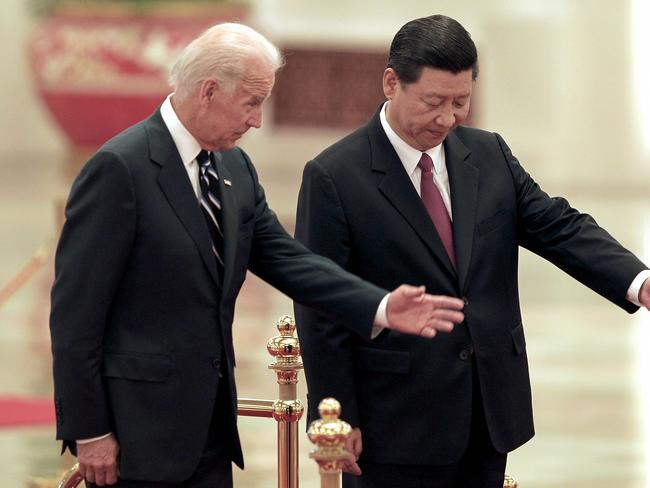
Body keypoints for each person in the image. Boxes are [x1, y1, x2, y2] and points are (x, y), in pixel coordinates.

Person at [48, 22, 467, 488]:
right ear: (208, 91)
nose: (257, 120)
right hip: (135, 436)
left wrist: (382, 306)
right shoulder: (119, 169)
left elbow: (288, 260)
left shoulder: (234, 166)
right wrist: (90, 430)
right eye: (251, 102)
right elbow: (74, 318)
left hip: (210, 433)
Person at [294, 13, 650, 488]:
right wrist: (336, 415)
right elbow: (321, 307)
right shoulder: (335, 176)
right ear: (391, 83)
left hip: (487, 412)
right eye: (434, 102)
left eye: (461, 102)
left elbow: (559, 226)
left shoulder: (488, 155)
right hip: (393, 421)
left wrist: (640, 281)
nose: (447, 118)